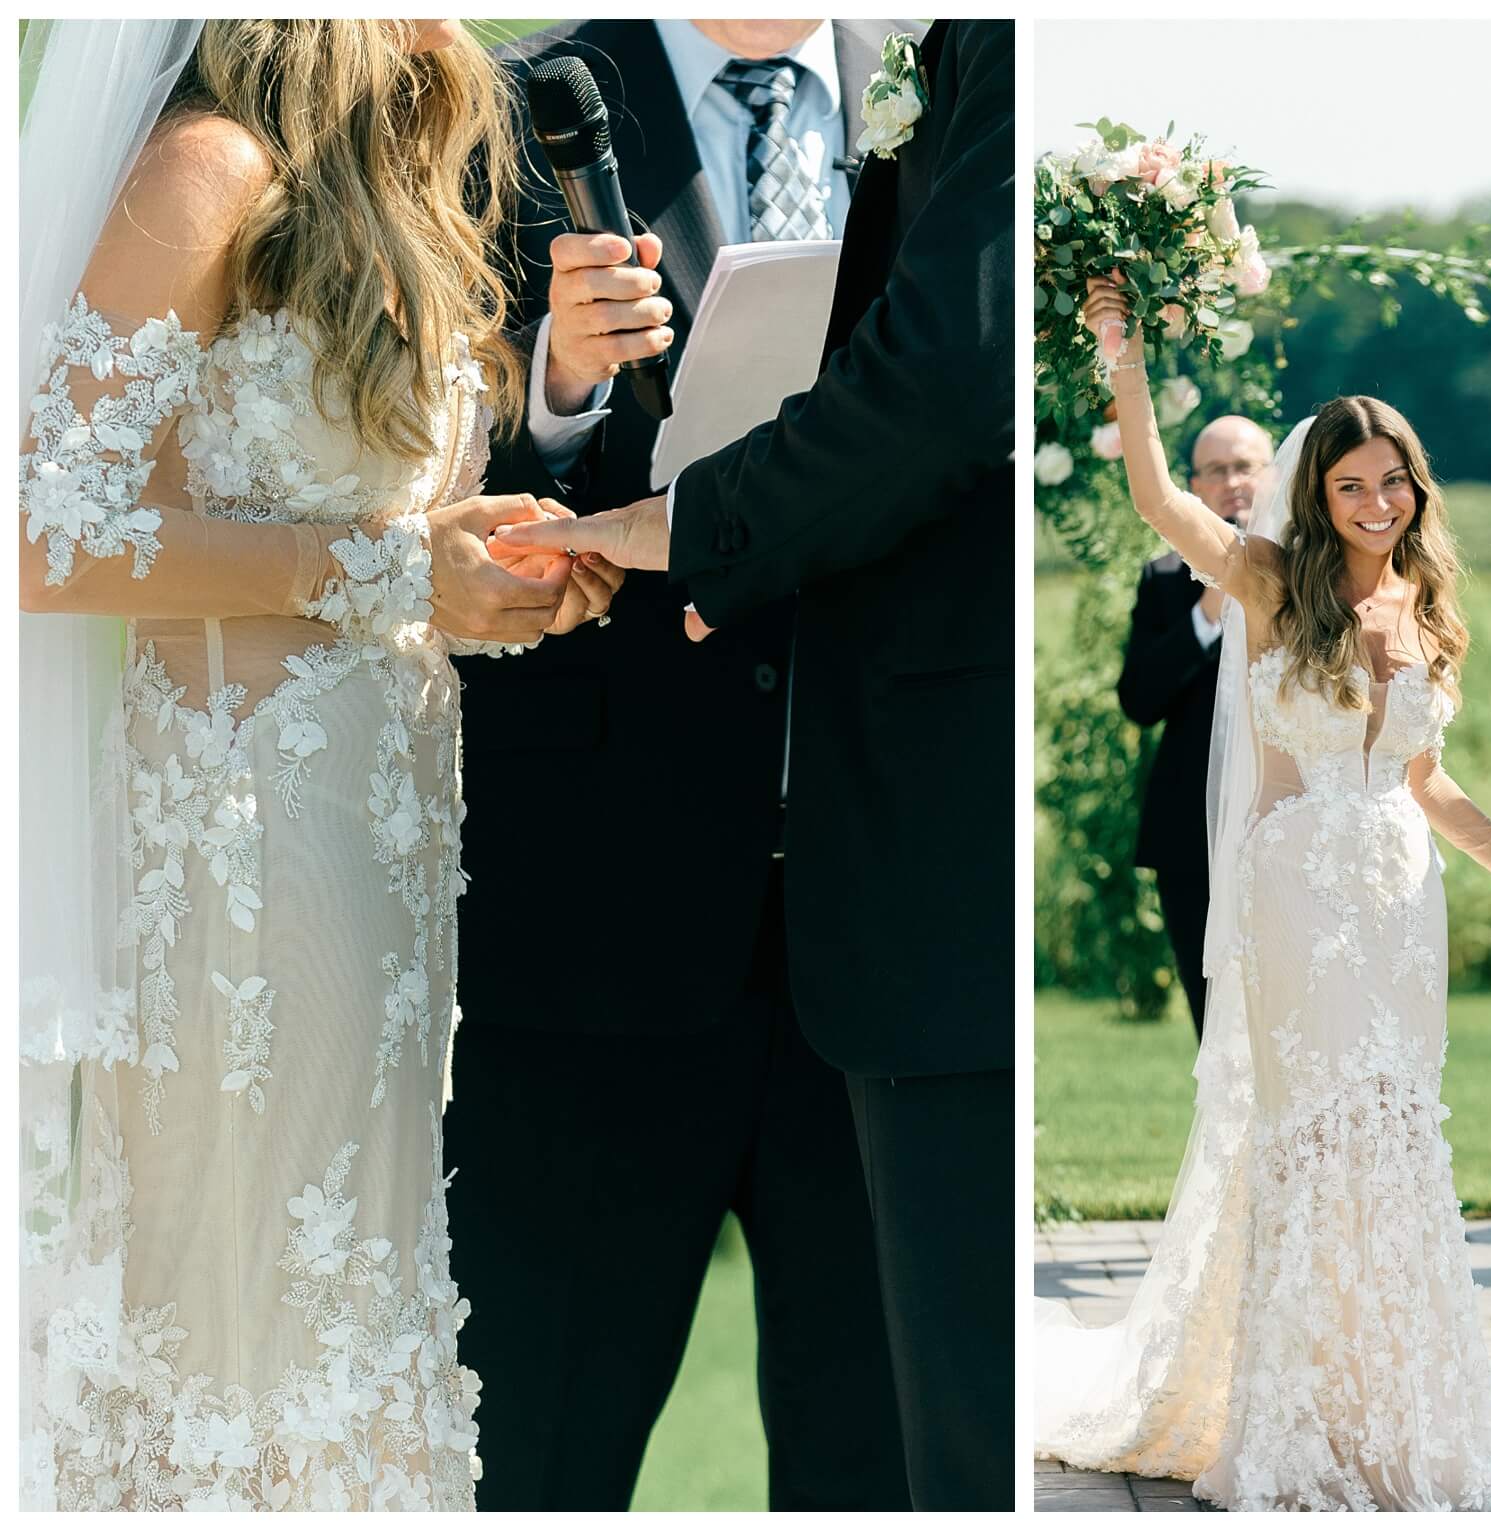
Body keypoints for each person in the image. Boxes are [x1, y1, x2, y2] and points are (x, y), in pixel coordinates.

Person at [16, 19, 619, 1511]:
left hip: (391, 823)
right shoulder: (203, 171)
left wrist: (488, 567)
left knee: (357, 1268)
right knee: (238, 1281)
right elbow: (54, 536)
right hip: (242, 828)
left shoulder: (389, 181)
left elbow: (391, 535)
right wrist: (397, 572)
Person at [490, 20, 1014, 1510]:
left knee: (884, 1470)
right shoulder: (508, 102)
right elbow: (386, 454)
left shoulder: (935, 81)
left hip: (900, 922)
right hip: (596, 908)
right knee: (533, 1458)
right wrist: (555, 383)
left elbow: (943, 410)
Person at [1027, 275, 1491, 1512]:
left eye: (1393, 481)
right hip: (1296, 891)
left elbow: (1428, 784)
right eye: (1351, 484)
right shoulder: (1274, 581)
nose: (1376, 503)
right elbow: (1156, 498)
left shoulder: (1428, 606)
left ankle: (1382, 1402)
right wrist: (1122, 353)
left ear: (1415, 488)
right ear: (1315, 493)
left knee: (1391, 1133)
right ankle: (1286, 1416)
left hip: (1397, 894)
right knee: (1313, 1136)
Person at [1117, 416, 1272, 1038]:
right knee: (1214, 1023)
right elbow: (1138, 699)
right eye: (1217, 470)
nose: (1233, 482)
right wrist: (1211, 607)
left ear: (1275, 473)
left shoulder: (1319, 573)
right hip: (1190, 837)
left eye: (1246, 467)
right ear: (1193, 486)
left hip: (1294, 819)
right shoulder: (1162, 581)